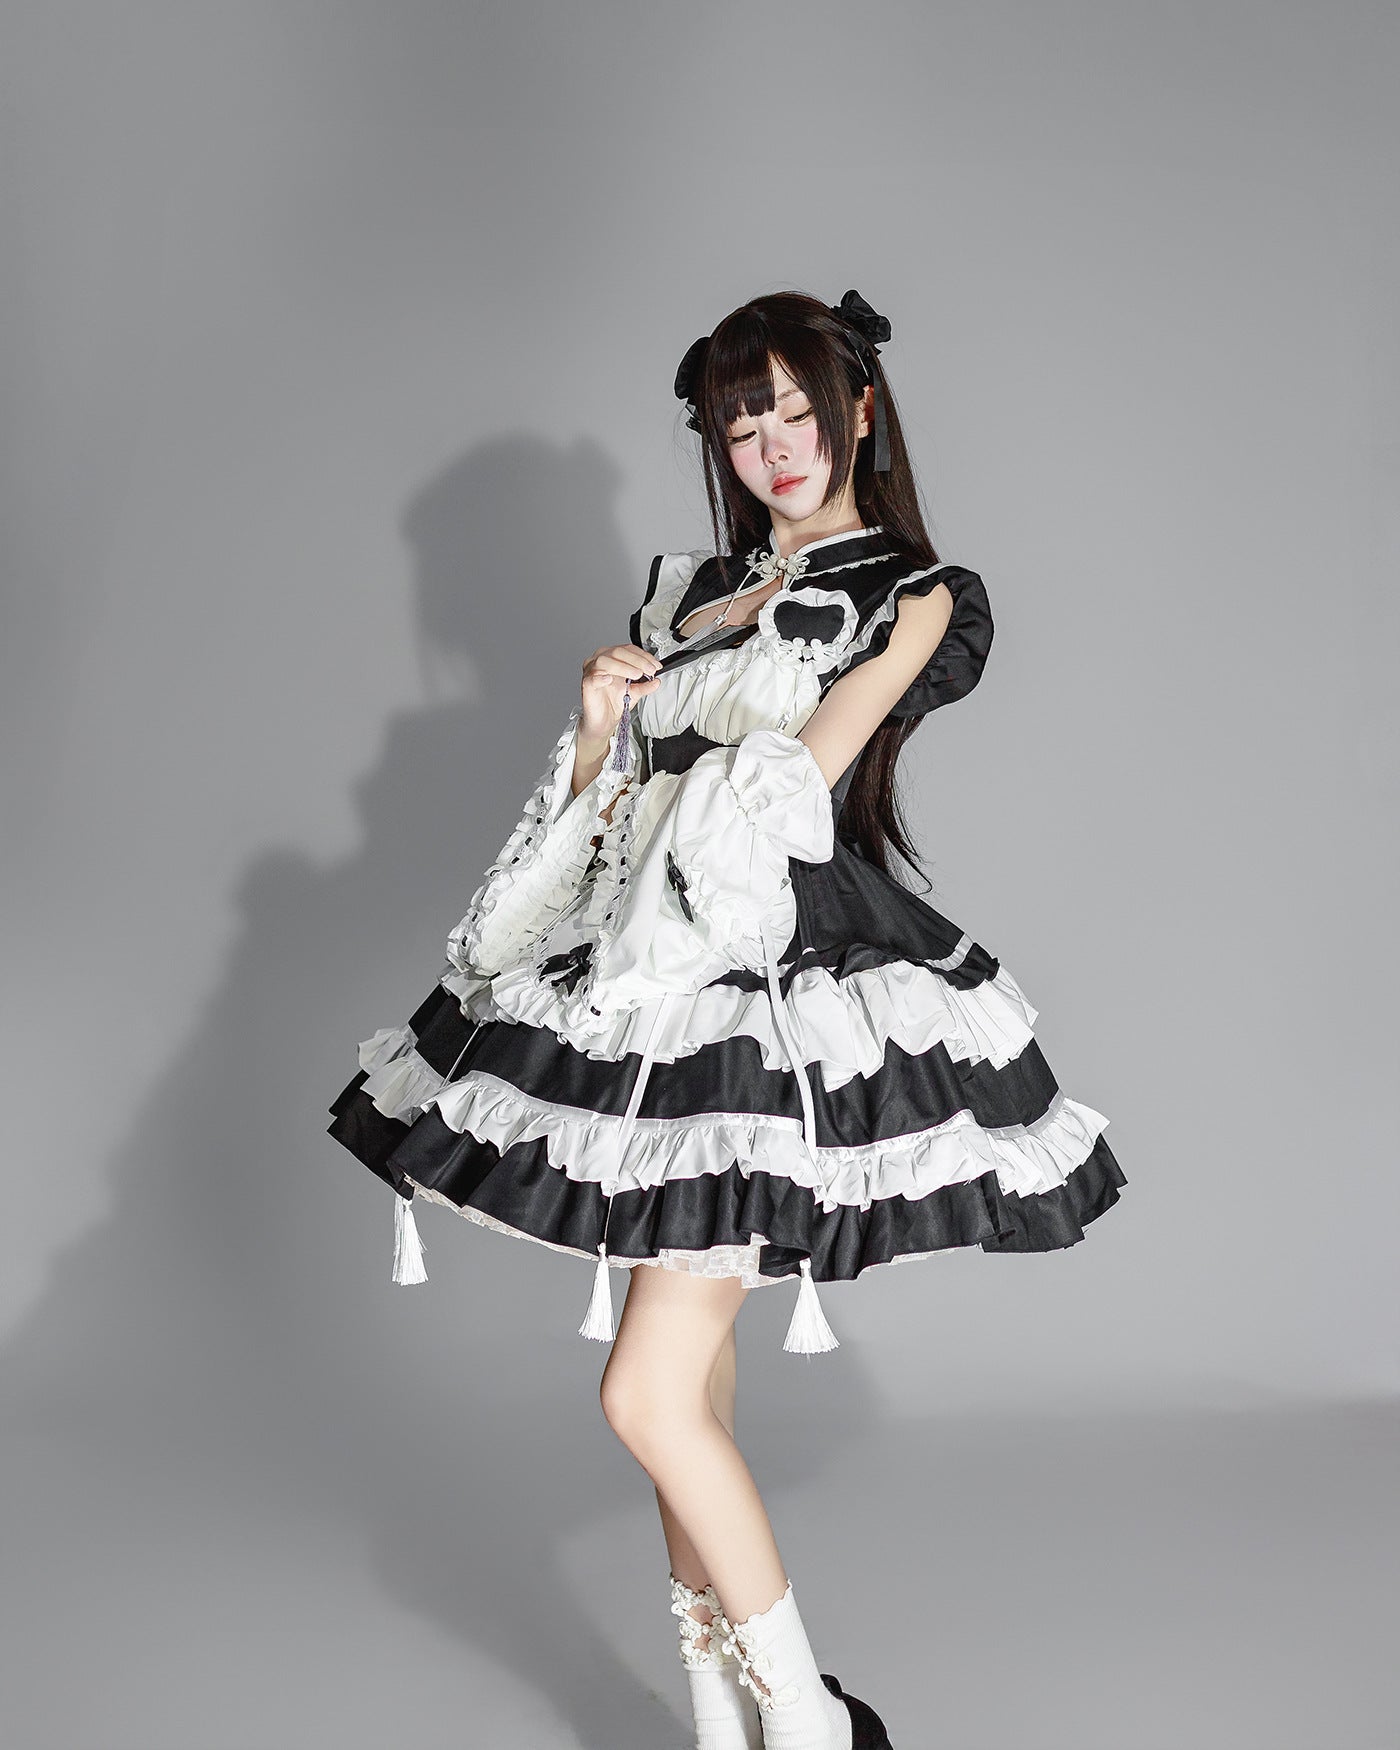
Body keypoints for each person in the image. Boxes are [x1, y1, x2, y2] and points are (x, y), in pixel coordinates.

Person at [328, 288, 1127, 1750]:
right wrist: (598, 726)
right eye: (743, 424)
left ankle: (809, 1723)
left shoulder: (912, 592)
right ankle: (721, 1717)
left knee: (644, 1396)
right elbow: (603, 816)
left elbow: (799, 776)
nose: (775, 446)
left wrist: (689, 760)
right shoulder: (691, 596)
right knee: (687, 1381)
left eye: (799, 411)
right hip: (637, 953)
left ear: (860, 411)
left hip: (761, 964)